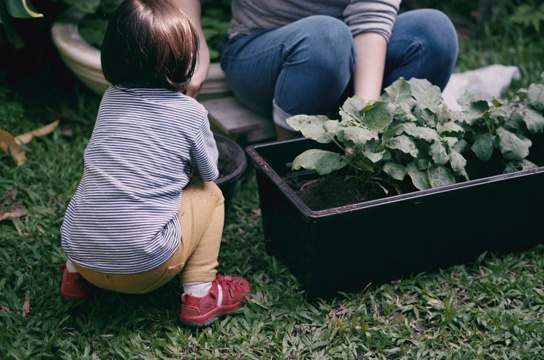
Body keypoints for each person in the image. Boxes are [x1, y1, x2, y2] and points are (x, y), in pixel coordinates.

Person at [59, 0, 251, 328]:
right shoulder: (189, 113)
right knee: (211, 195)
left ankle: (75, 279)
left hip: (82, 255)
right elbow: (210, 172)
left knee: (99, 184)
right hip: (145, 270)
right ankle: (200, 294)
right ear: (183, 61)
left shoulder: (111, 99)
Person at [219, 0, 459, 140]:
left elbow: (372, 15)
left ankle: (386, 156)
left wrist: (366, 121)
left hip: (351, 52)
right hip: (262, 53)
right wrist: (194, 38)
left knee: (434, 32)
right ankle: (288, 170)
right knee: (327, 37)